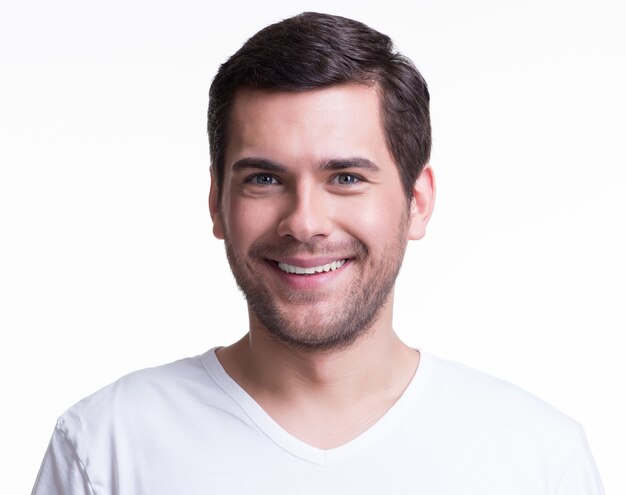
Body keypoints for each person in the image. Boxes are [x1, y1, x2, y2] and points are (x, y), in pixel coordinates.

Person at [32, 11, 604, 495]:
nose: (304, 223)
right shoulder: (104, 449)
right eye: (263, 178)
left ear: (418, 201)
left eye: (347, 178)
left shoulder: (537, 461)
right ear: (216, 204)